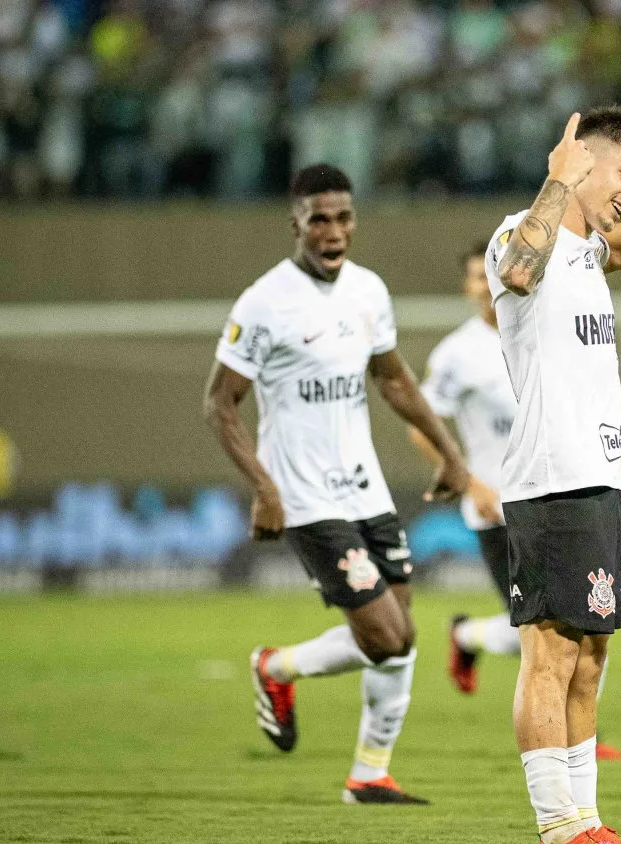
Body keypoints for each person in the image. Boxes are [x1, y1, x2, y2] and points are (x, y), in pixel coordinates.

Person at [203, 163, 469, 805]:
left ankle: (367, 772)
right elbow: (219, 403)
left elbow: (395, 379)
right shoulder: (264, 302)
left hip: (366, 489)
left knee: (401, 641)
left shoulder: (368, 292)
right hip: (305, 498)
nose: (333, 230)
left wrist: (450, 452)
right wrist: (266, 490)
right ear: (296, 222)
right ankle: (278, 672)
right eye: (319, 218)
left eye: (343, 217)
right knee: (383, 636)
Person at [487, 107, 621, 844]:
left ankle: (587, 819)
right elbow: (516, 271)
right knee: (551, 654)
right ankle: (557, 823)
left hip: (596, 477)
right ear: (583, 162)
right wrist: (555, 180)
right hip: (550, 478)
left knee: (591, 656)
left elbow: (612, 252)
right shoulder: (522, 233)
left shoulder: (582, 251)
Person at [407, 242, 621, 763]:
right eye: (474, 277)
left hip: (558, 490)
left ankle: (568, 729)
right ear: (468, 287)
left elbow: (571, 410)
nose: (482, 285)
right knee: (542, 627)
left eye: (487, 274)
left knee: (584, 619)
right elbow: (421, 425)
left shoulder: (539, 332)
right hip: (499, 506)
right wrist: (468, 480)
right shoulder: (458, 353)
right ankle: (559, 744)